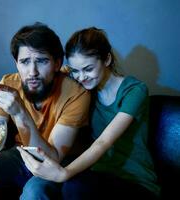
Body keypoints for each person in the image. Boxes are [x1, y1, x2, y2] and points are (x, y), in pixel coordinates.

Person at [17, 27, 161, 199]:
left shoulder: (134, 91)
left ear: (107, 59)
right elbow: (47, 74)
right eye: (75, 71)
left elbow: (104, 141)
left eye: (88, 69)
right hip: (97, 175)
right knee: (56, 188)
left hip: (135, 181)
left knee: (73, 187)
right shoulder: (83, 87)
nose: (81, 77)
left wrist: (64, 173)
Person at [0, 22, 91, 200]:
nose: (32, 72)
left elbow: (53, 157)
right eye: (24, 62)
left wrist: (20, 113)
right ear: (16, 63)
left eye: (42, 61)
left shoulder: (76, 94)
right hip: (21, 153)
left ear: (57, 63)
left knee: (34, 192)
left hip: (59, 162)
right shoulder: (9, 84)